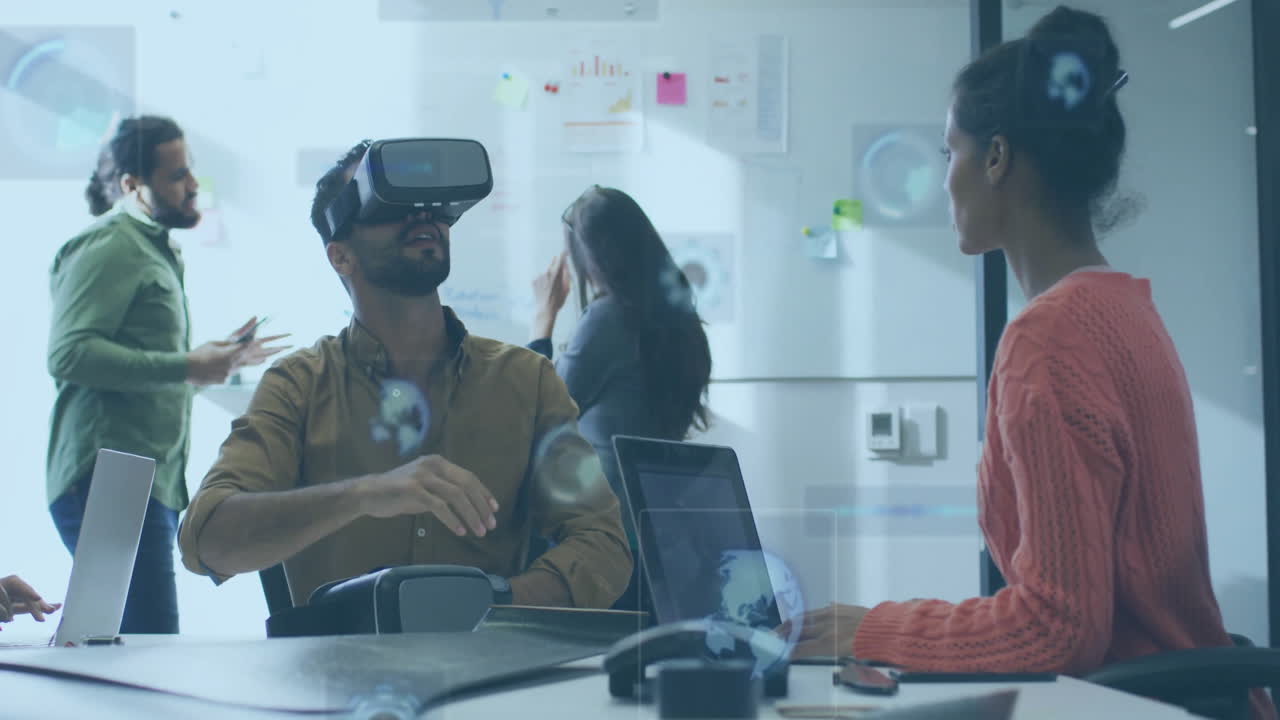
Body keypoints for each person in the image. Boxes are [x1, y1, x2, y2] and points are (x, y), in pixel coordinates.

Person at [789, 7, 1275, 718]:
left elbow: (1057, 629)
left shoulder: (1047, 341)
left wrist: (868, 629)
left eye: (950, 150)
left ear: (996, 158)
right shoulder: (1124, 309)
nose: (946, 174)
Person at [177, 142, 632, 609]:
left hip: (488, 670)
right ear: (340, 256)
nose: (423, 216)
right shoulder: (298, 386)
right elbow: (205, 542)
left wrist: (496, 604)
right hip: (335, 673)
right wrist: (363, 495)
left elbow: (603, 544)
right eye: (391, 205)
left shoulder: (526, 381)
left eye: (434, 207)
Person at [47, 116, 288, 634]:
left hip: (139, 479)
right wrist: (187, 365)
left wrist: (208, 362)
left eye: (190, 170)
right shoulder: (111, 246)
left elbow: (137, 360)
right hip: (109, 478)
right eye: (177, 175)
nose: (193, 184)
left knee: (119, 645)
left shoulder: (154, 249)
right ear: (133, 186)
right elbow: (69, 354)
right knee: (145, 648)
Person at [528, 185, 712, 610]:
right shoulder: (681, 321)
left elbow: (545, 406)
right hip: (657, 529)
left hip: (605, 528)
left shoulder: (610, 317)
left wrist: (543, 318)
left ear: (589, 257)